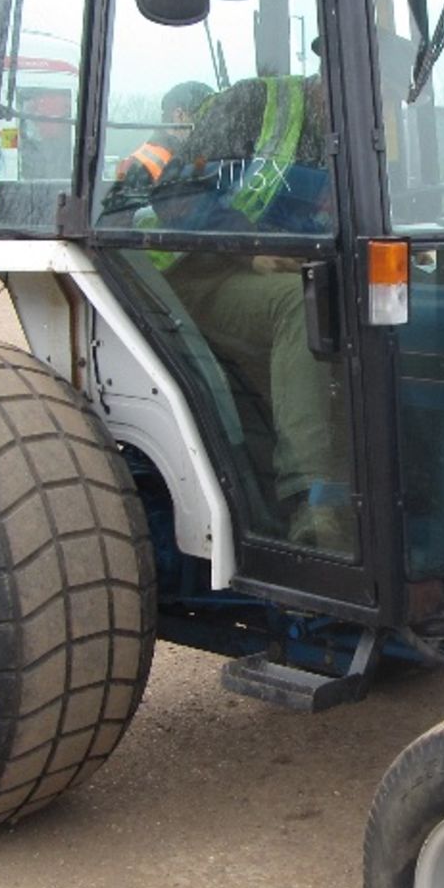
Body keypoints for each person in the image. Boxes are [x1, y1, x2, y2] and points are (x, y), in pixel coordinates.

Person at [131, 74, 353, 553]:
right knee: (301, 304)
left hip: (292, 270)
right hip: (196, 273)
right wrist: (250, 249)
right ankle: (314, 504)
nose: (377, 103)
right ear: (334, 68)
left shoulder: (363, 131)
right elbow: (175, 193)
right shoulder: (254, 104)